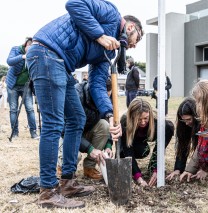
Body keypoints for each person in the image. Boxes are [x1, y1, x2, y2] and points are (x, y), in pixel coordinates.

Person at [26, 0, 143, 208]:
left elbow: (97, 85)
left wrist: (109, 117)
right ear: (131, 27)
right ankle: (47, 191)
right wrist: (100, 35)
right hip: (46, 52)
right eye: (137, 38)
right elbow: (74, 4)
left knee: (77, 118)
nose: (134, 44)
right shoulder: (111, 14)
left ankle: (68, 180)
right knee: (54, 123)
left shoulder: (109, 51)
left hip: (62, 65)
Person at [57, 77, 114, 180]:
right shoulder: (76, 94)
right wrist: (89, 148)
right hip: (68, 134)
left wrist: (108, 144)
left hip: (87, 131)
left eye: (108, 96)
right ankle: (63, 167)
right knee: (75, 155)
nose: (105, 100)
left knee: (104, 125)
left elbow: (108, 119)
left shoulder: (106, 98)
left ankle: (89, 167)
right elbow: (64, 130)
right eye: (103, 97)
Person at [120, 98, 174, 187]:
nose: (143, 122)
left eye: (146, 118)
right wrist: (138, 177)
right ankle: (124, 160)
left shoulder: (158, 121)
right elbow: (128, 150)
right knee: (142, 151)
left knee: (168, 127)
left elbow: (160, 148)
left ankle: (152, 166)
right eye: (139, 119)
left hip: (148, 134)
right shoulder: (125, 121)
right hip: (134, 140)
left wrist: (157, 168)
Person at [6, 37, 39, 139]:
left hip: (26, 86)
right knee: (13, 109)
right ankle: (15, 132)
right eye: (31, 47)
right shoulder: (15, 50)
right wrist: (23, 57)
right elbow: (9, 61)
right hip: (13, 86)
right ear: (26, 45)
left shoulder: (34, 54)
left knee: (30, 109)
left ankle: (33, 132)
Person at [166, 97, 204, 180]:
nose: (186, 123)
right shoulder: (184, 124)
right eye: (184, 120)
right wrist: (178, 169)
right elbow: (182, 146)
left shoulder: (203, 124)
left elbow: (205, 147)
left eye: (189, 119)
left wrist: (203, 169)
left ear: (195, 116)